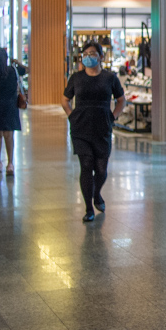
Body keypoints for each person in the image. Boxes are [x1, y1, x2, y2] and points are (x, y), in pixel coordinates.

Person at [62, 41, 126, 223]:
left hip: (102, 127)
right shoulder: (76, 78)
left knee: (101, 169)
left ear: (101, 57)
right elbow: (65, 99)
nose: (88, 57)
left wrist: (113, 117)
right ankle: (89, 208)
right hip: (80, 128)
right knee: (86, 165)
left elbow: (121, 100)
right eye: (85, 54)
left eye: (92, 53)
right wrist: (71, 116)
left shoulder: (110, 78)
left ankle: (97, 193)